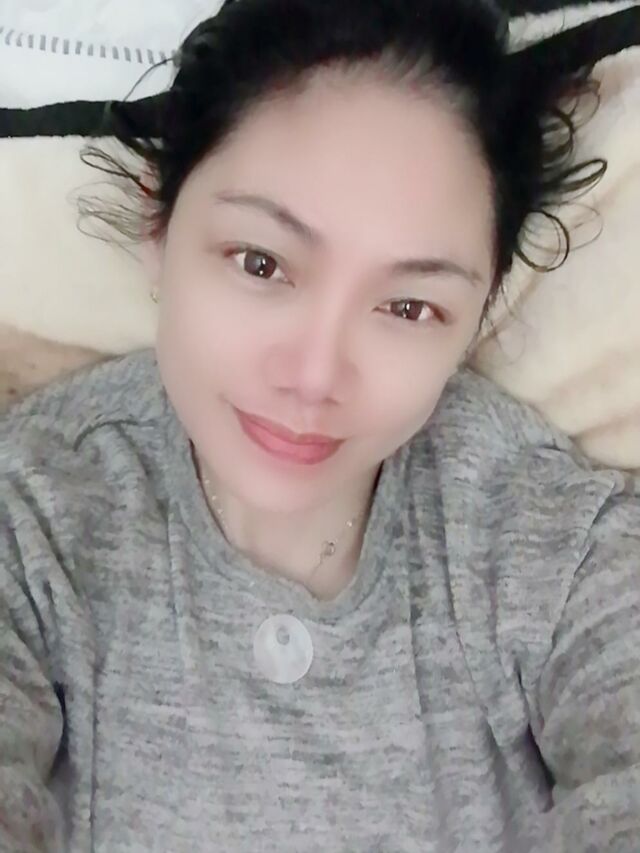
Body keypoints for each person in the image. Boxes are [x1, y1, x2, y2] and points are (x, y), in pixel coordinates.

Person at [1, 0, 639, 850]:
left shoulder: (554, 540)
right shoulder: (33, 515)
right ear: (159, 225)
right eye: (261, 263)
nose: (313, 377)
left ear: (477, 315)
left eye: (408, 306)